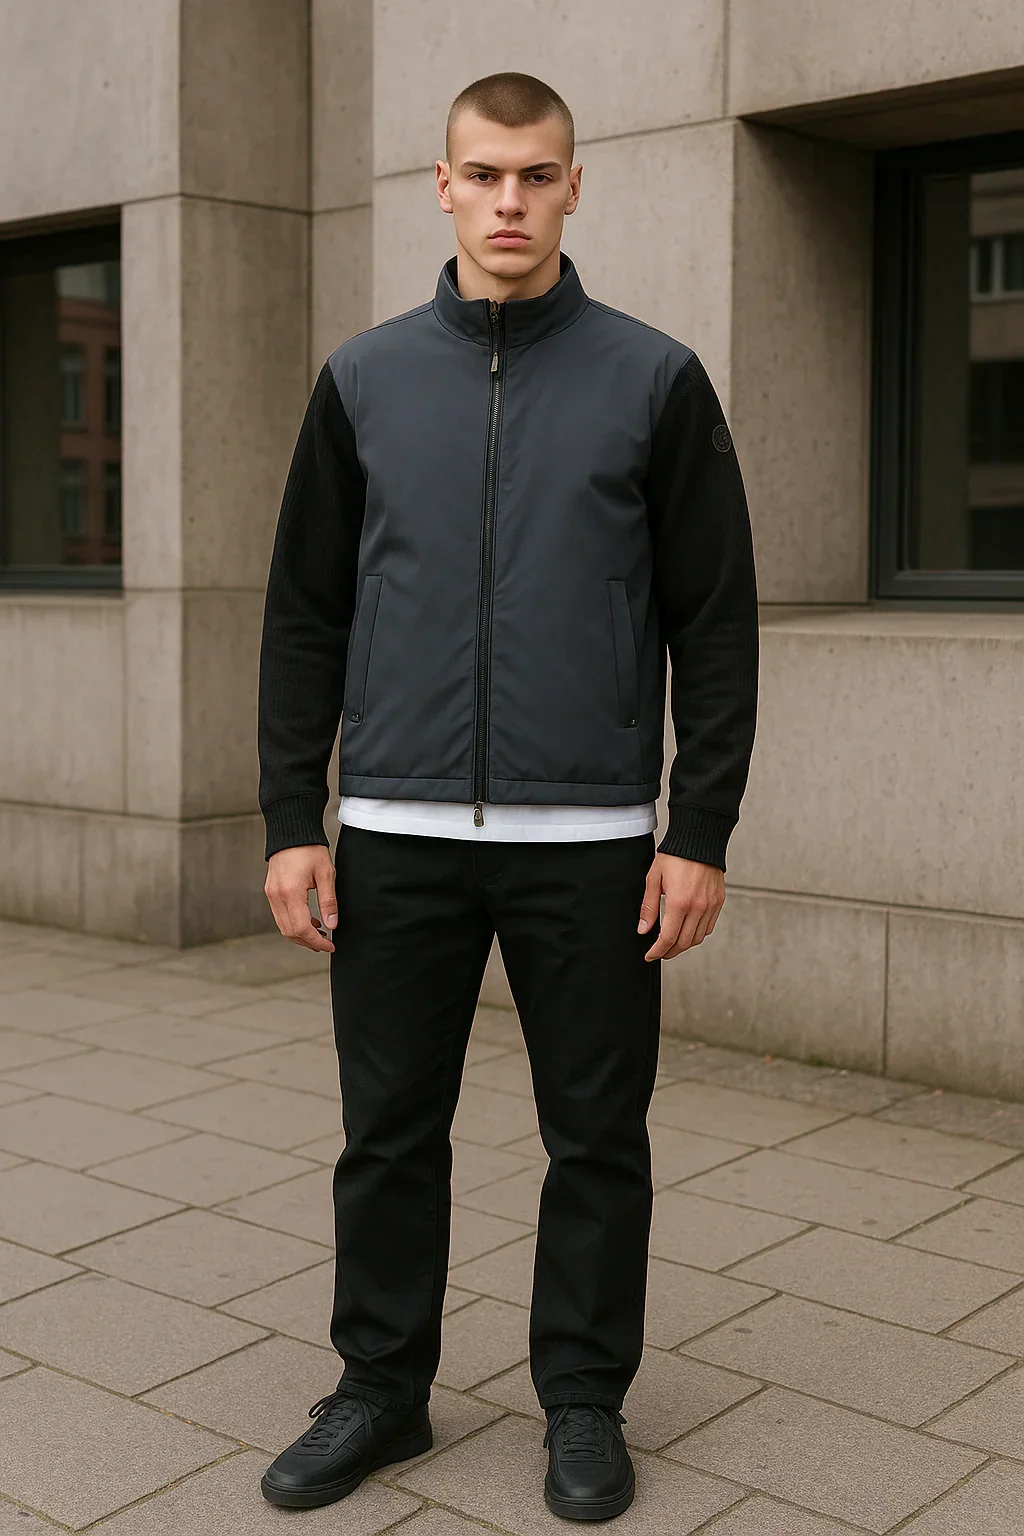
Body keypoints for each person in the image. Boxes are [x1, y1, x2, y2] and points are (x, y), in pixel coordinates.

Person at [256, 71, 758, 1523]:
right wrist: (292, 819)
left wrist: (699, 831)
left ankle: (584, 1400)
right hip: (397, 828)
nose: (510, 202)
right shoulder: (363, 381)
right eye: (484, 175)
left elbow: (715, 620)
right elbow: (303, 615)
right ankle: (380, 1389)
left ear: (574, 187)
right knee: (386, 1133)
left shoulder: (654, 379)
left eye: (537, 176)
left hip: (591, 841)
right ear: (443, 185)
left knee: (595, 1139)